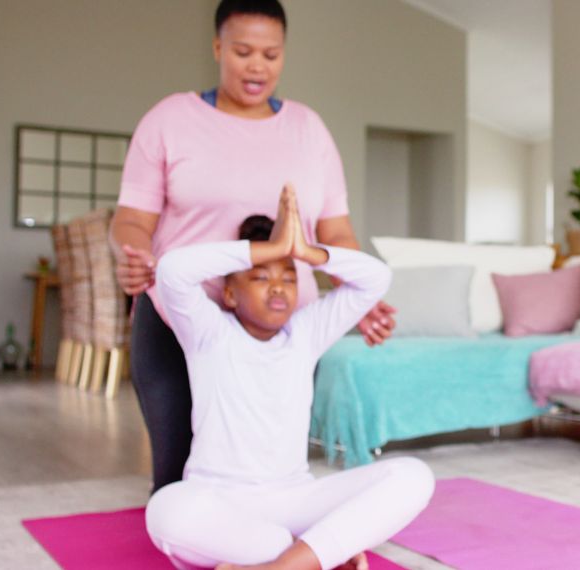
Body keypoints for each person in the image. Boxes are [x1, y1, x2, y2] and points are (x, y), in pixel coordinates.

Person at [110, 0, 397, 493]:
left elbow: (336, 233)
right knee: (181, 477)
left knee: (269, 472)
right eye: (243, 51)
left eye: (271, 54)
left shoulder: (309, 130)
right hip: (184, 319)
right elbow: (132, 220)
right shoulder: (170, 119)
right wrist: (135, 256)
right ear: (218, 47)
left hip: (279, 328)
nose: (258, 66)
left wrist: (358, 294)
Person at [145, 187, 434, 570]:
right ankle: (307, 555)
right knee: (166, 509)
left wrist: (307, 252)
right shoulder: (208, 334)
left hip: (297, 500)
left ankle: (284, 565)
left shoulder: (305, 334)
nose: (279, 287)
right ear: (229, 294)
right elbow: (172, 270)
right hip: (221, 501)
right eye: (261, 276)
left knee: (413, 476)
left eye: (289, 277)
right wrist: (271, 246)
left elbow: (376, 278)